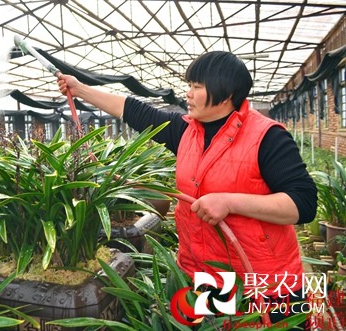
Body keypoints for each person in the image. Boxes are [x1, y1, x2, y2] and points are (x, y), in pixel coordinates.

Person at [57, 51, 317, 329]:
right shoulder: (186, 132)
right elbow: (134, 110)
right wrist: (80, 89)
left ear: (226, 93)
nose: (188, 94)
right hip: (207, 273)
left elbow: (303, 204)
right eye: (189, 85)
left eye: (196, 87)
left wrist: (230, 202)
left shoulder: (267, 137)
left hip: (263, 280)